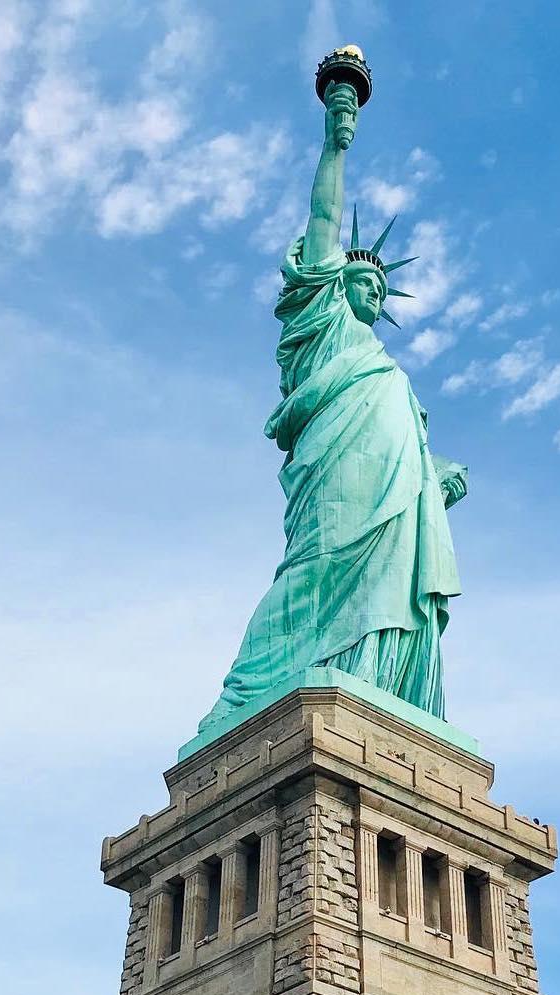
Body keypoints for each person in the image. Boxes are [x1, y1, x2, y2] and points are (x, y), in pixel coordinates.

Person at [194, 74, 469, 739]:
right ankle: (247, 693)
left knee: (390, 583)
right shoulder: (322, 324)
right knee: (315, 570)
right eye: (361, 279)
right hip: (335, 476)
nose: (373, 290)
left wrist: (433, 483)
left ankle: (376, 684)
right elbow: (323, 222)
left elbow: (407, 459)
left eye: (380, 285)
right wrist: (335, 145)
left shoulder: (390, 373)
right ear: (333, 283)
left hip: (393, 498)